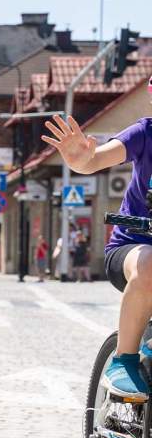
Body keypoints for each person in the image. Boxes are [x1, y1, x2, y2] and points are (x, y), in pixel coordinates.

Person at [42, 109, 152, 399]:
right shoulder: (144, 133)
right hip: (133, 250)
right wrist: (83, 160)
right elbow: (98, 158)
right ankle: (124, 361)